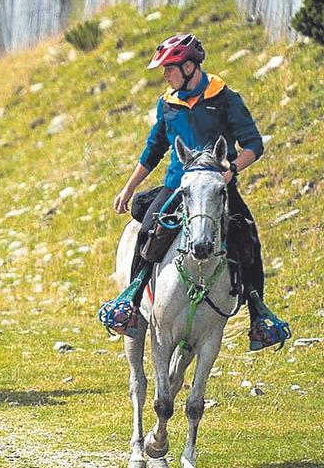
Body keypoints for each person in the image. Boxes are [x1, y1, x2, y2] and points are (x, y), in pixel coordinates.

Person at [110, 33, 290, 351]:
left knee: (247, 236)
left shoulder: (225, 98)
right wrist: (129, 187)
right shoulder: (168, 104)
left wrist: (231, 170)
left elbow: (253, 144)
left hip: (218, 187)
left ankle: (258, 317)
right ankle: (131, 304)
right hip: (177, 185)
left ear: (190, 67)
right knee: (147, 230)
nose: (165, 75)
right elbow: (153, 150)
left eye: (169, 68)